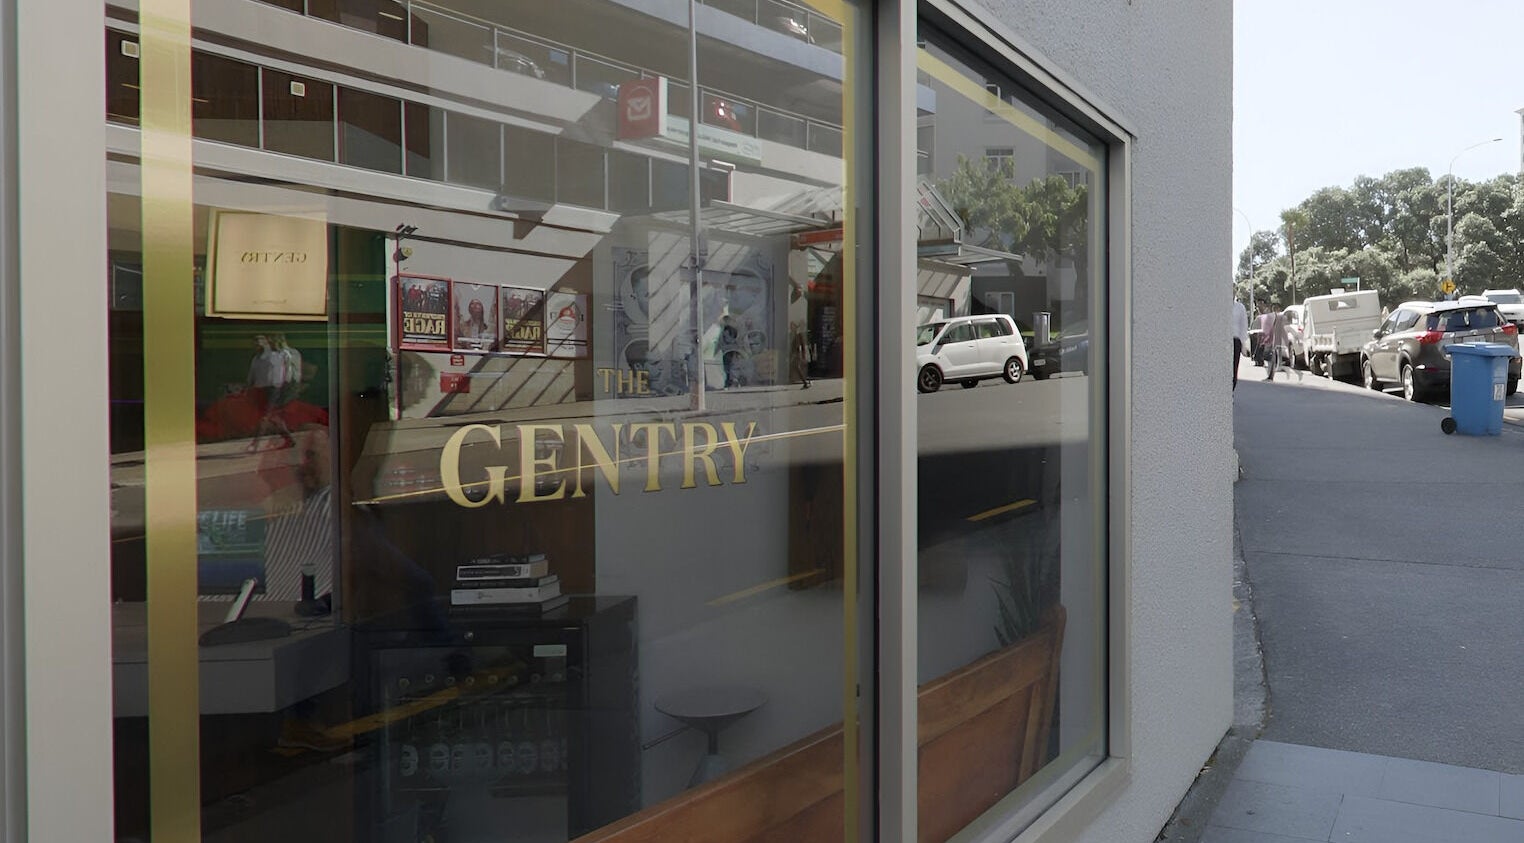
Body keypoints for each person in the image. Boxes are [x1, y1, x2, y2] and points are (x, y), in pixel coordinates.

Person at [1232, 295, 1249, 390]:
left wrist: (1243, 344)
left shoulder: (1240, 307)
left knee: (1234, 367)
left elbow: (1243, 326)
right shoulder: (1220, 306)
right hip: (1223, 341)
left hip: (1235, 340)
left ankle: (1232, 389)